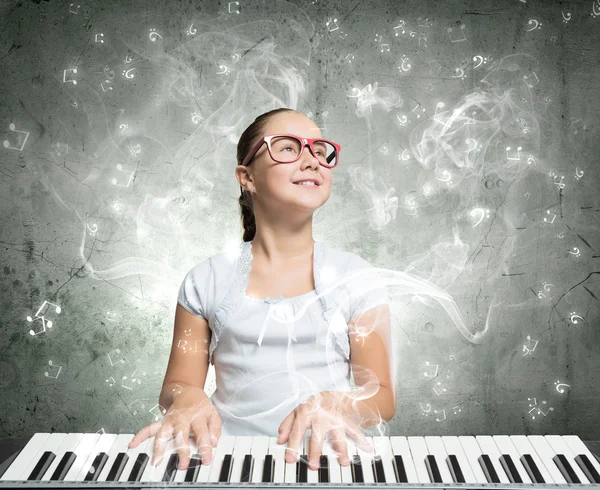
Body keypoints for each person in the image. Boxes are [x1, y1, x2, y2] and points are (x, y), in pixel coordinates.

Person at [128, 108, 396, 474]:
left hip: (329, 467)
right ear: (247, 177)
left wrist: (336, 403)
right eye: (287, 148)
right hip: (226, 467)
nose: (311, 160)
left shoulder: (356, 278)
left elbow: (380, 397)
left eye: (320, 150)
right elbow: (176, 385)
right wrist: (186, 396)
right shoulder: (204, 280)